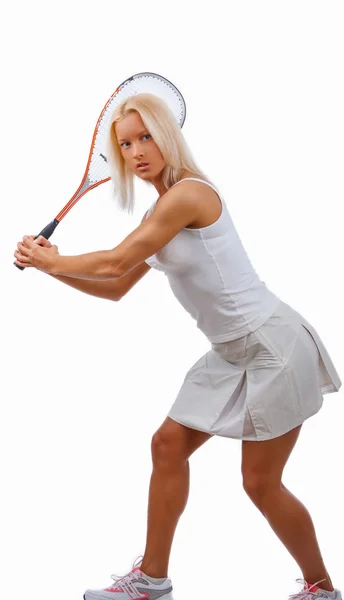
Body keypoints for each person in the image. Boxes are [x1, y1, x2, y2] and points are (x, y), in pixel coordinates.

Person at [14, 92, 342, 600]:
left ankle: (322, 589)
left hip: (273, 346)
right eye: (126, 144)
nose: (137, 150)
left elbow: (112, 263)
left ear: (168, 136)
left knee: (259, 483)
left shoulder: (189, 195)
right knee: (167, 446)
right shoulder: (159, 213)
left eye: (146, 136)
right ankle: (152, 581)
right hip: (230, 351)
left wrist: (52, 261)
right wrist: (51, 268)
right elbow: (115, 285)